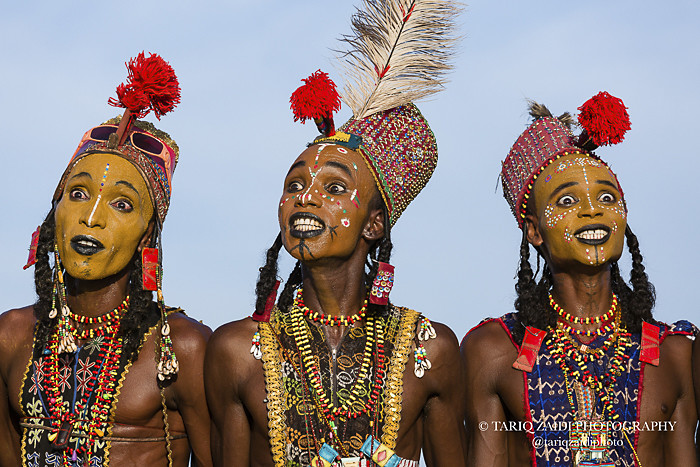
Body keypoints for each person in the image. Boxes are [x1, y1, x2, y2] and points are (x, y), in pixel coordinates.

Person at [205, 1, 466, 465]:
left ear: (374, 223)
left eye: (335, 187)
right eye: (294, 185)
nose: (306, 198)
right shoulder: (235, 352)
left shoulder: (432, 348)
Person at [461, 94, 699, 466]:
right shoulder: (495, 350)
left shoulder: (675, 353)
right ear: (535, 232)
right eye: (567, 201)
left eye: (607, 197)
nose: (593, 210)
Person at [0, 52, 212, 466]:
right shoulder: (11, 335)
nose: (91, 218)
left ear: (147, 234)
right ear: (53, 212)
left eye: (122, 204)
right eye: (77, 194)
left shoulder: (182, 347)